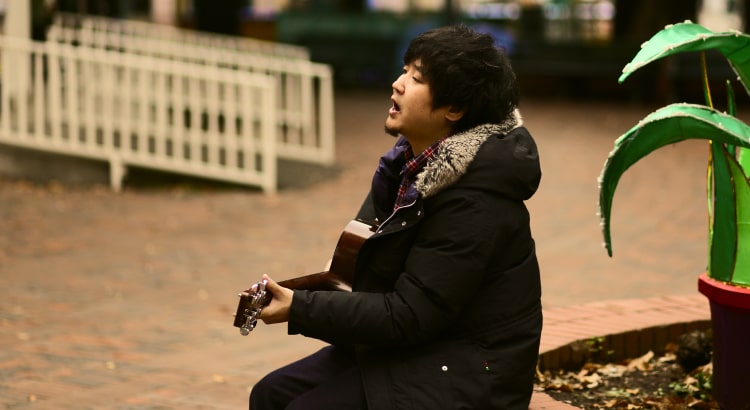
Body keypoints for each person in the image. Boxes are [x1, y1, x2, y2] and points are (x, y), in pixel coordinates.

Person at [249, 24, 543, 410]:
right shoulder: (404, 166)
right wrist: (319, 287)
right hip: (416, 345)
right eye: (405, 70)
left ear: (454, 109)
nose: (397, 84)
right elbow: (368, 271)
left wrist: (301, 308)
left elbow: (408, 314)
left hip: (468, 369)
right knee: (270, 394)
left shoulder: (475, 199)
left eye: (416, 79)